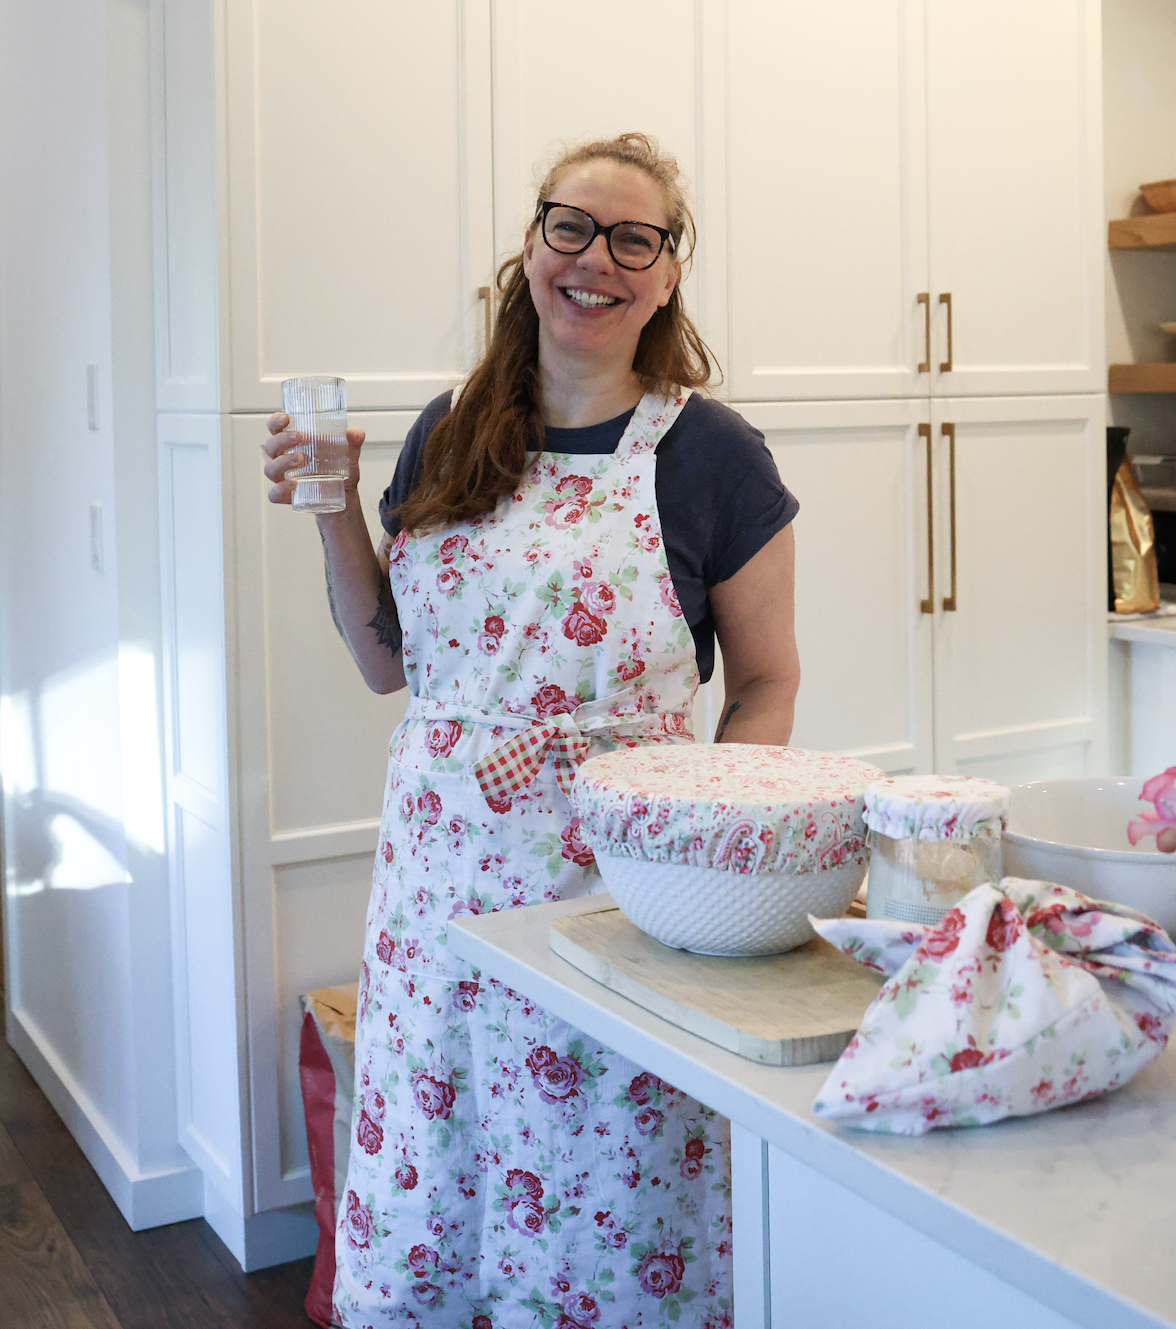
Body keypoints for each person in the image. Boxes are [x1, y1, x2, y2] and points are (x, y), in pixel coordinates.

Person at [263, 133, 800, 1328]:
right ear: (531, 244)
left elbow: (767, 682)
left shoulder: (709, 454)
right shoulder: (450, 428)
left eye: (633, 239)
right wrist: (331, 506)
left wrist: (696, 831)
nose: (595, 260)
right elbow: (384, 663)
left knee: (603, 1193)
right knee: (440, 1180)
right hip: (434, 897)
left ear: (666, 273)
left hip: (614, 895)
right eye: (572, 226)